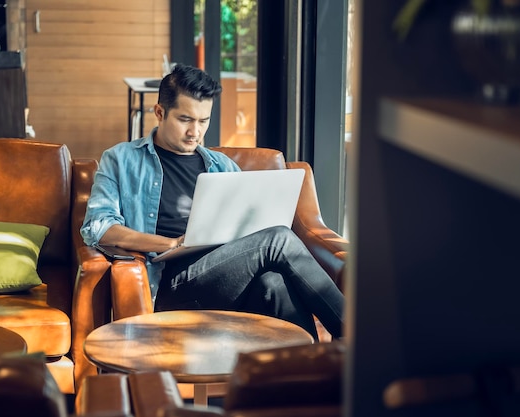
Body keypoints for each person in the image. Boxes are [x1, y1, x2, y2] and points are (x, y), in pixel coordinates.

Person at [81, 63, 344, 340]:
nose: (195, 131)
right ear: (160, 112)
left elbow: (249, 230)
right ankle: (357, 339)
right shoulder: (121, 159)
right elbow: (98, 228)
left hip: (227, 278)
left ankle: (311, 372)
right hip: (170, 284)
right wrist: (170, 244)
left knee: (274, 283)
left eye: (203, 121)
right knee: (278, 239)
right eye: (185, 119)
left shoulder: (222, 166)